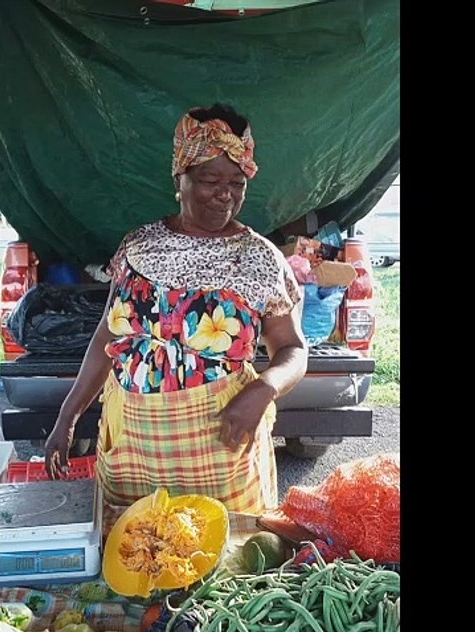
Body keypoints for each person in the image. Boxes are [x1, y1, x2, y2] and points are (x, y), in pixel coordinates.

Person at [43, 104, 307, 514]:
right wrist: (67, 416)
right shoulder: (138, 247)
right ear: (179, 178)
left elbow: (292, 348)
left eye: (237, 182)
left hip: (221, 455)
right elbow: (107, 337)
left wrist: (264, 388)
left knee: (225, 565)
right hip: (133, 453)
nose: (226, 194)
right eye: (209, 179)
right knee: (136, 554)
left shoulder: (259, 258)